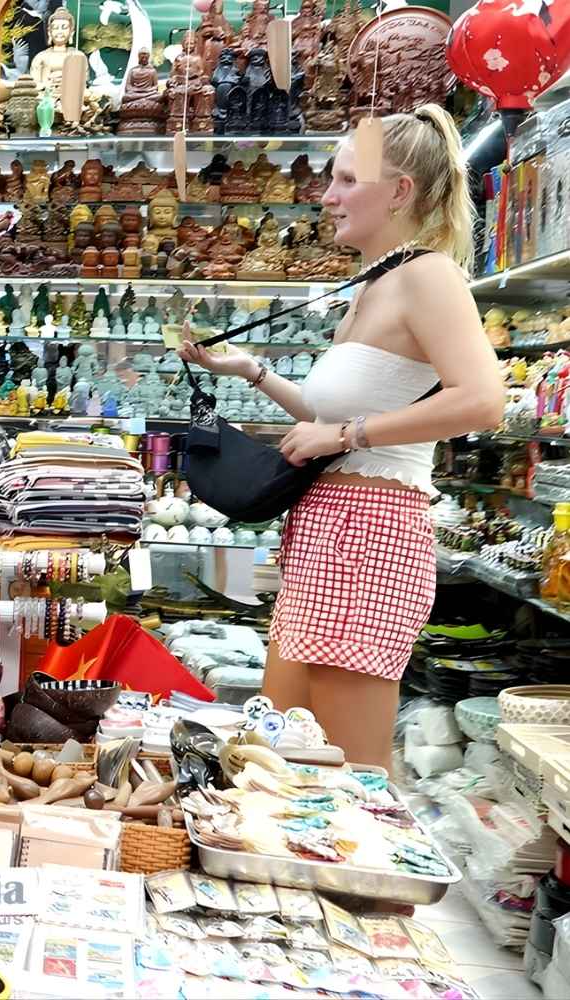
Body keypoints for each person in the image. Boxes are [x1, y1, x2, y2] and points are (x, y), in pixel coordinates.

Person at [178, 105, 504, 771]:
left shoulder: (427, 275)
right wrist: (250, 371)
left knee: (346, 773)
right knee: (279, 758)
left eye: (347, 180)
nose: (328, 196)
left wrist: (346, 432)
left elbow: (482, 400)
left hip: (371, 534)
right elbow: (329, 421)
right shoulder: (374, 284)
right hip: (328, 529)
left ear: (400, 191)